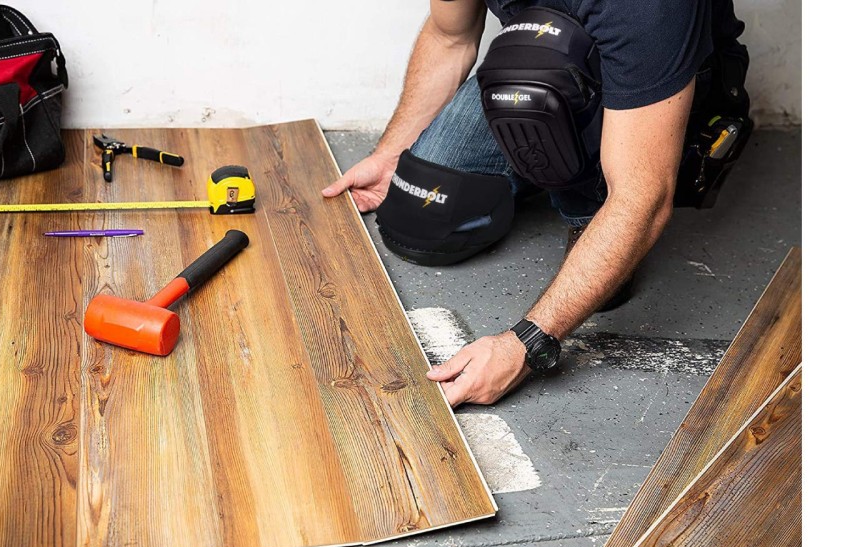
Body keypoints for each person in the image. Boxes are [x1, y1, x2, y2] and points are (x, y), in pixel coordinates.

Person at [321, 0, 748, 407]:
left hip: (653, 87)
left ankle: (588, 199)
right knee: (420, 219)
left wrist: (525, 345)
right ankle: (547, 149)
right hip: (546, 67)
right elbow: (448, 36)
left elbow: (644, 197)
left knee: (605, 280)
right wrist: (392, 155)